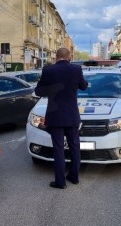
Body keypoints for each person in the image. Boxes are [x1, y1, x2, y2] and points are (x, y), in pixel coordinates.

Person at [33, 47, 88, 189]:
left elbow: (38, 91)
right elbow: (84, 86)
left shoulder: (48, 70)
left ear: (56, 57)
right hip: (71, 115)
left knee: (58, 149)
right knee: (75, 147)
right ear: (69, 57)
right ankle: (74, 177)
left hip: (55, 115)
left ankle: (60, 182)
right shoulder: (76, 69)